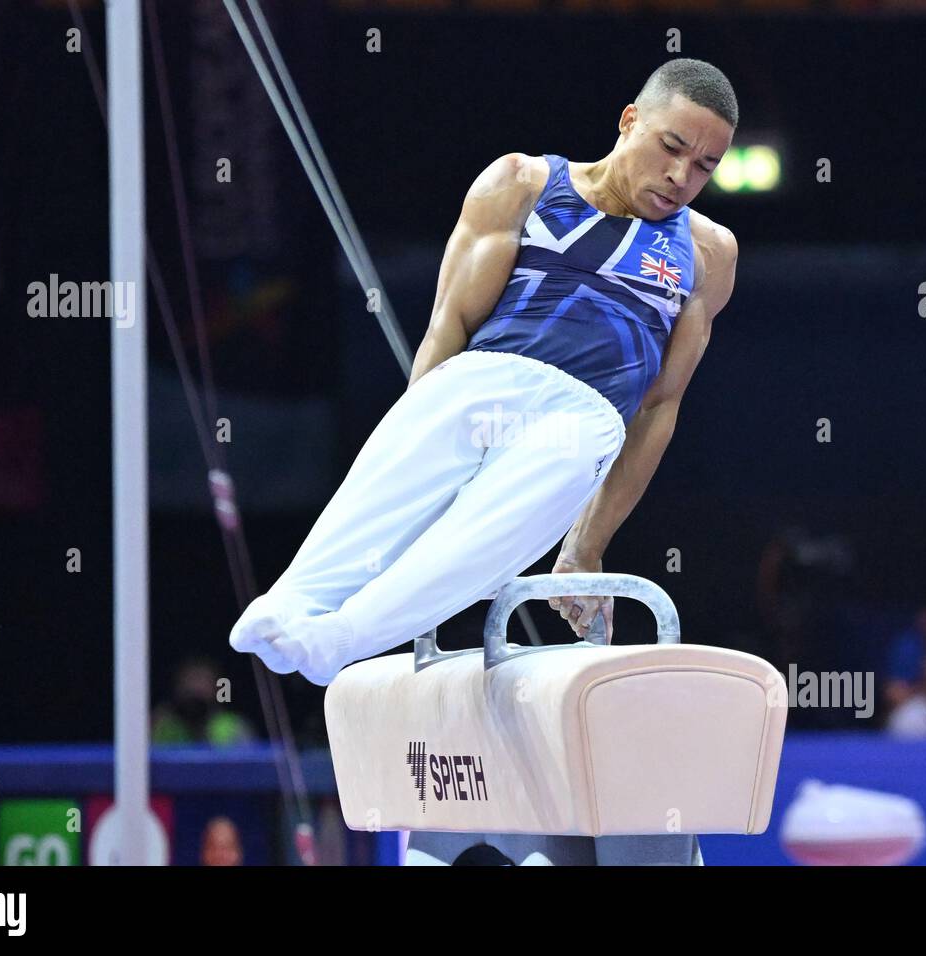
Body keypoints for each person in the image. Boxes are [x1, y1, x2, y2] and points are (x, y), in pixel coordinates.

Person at [229, 59, 739, 685]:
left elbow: (660, 406)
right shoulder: (521, 182)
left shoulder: (708, 253)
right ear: (630, 121)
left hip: (585, 418)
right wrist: (414, 440)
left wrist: (584, 548)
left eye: (705, 167)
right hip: (483, 378)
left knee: (479, 541)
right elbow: (451, 323)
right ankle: (291, 604)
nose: (682, 177)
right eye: (672, 148)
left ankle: (341, 638)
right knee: (383, 500)